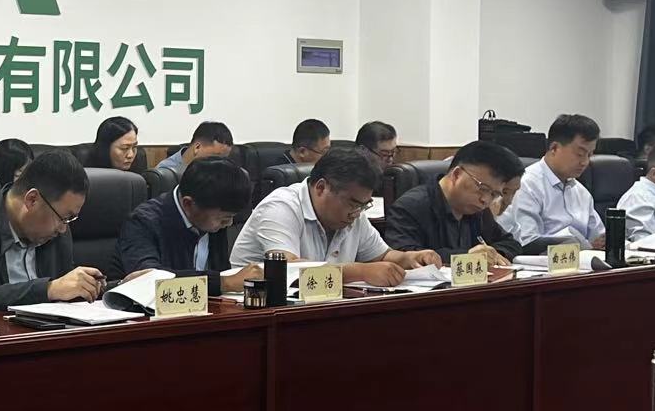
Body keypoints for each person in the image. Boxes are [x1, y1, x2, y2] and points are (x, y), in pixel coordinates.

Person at [229, 144, 440, 284]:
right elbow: (286, 269)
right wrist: (361, 272)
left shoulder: (355, 212)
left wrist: (409, 258)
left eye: (364, 205)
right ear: (321, 187)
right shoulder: (280, 207)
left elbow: (381, 256)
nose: (357, 213)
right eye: (353, 203)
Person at [0, 151, 105, 310]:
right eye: (64, 218)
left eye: (70, 219)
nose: (63, 228)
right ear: (32, 200)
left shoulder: (56, 230)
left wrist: (100, 286)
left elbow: (66, 291)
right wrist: (49, 289)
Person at [114, 157, 262, 292]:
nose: (229, 224)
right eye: (223, 219)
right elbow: (146, 280)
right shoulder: (143, 222)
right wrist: (224, 283)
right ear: (188, 204)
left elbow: (219, 270)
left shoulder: (212, 215)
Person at [381, 141, 524, 266]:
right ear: (457, 175)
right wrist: (466, 257)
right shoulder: (410, 207)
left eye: (494, 194)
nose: (485, 200)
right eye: (483, 188)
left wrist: (494, 255)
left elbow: (510, 243)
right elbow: (404, 256)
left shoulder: (478, 209)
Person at [499, 114, 606, 250]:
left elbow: (598, 236)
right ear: (554, 148)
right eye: (580, 154)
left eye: (590, 155)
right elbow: (527, 242)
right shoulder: (526, 186)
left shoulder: (582, 192)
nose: (585, 162)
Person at [153, 121, 235, 178]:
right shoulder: (167, 173)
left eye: (224, 159)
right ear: (197, 147)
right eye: (216, 157)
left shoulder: (221, 172)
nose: (220, 163)